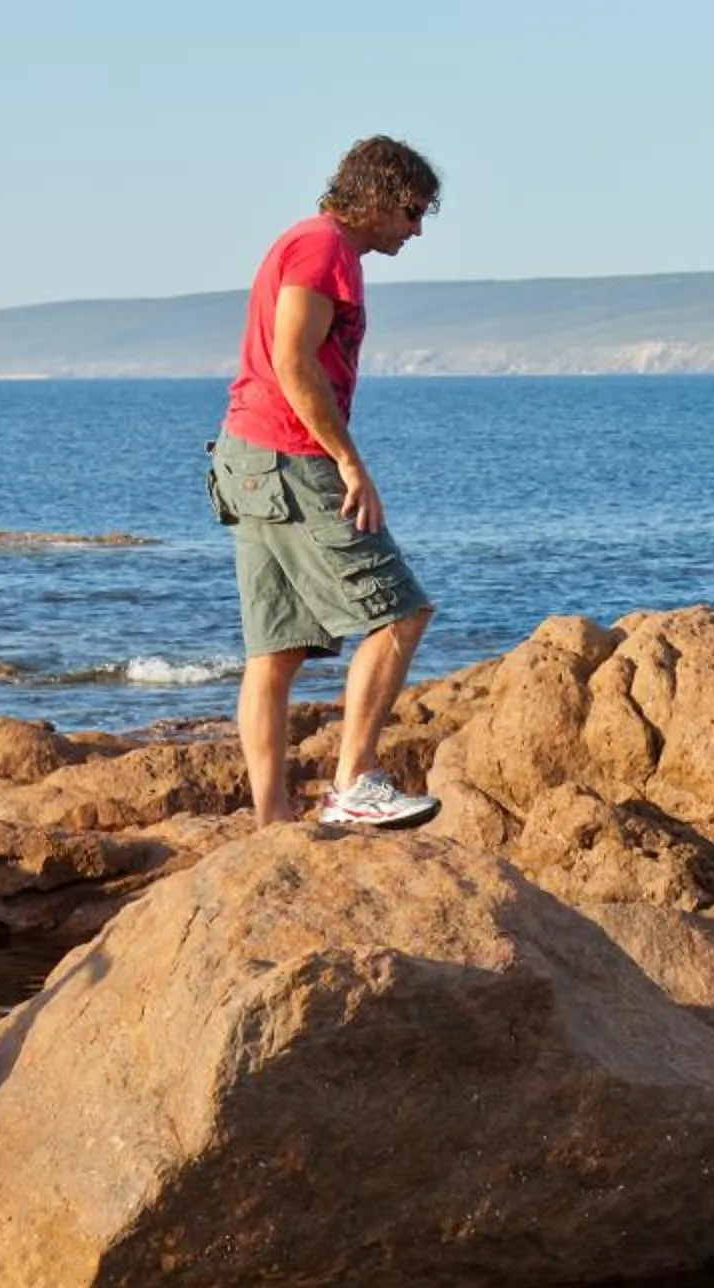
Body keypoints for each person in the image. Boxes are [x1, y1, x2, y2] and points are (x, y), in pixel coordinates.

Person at [207, 136, 444, 831]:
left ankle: (272, 818)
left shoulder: (312, 242)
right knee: (401, 613)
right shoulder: (323, 246)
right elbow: (293, 360)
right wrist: (348, 460)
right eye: (410, 210)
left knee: (275, 649)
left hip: (247, 455)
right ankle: (354, 783)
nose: (416, 228)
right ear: (374, 196)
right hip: (288, 456)